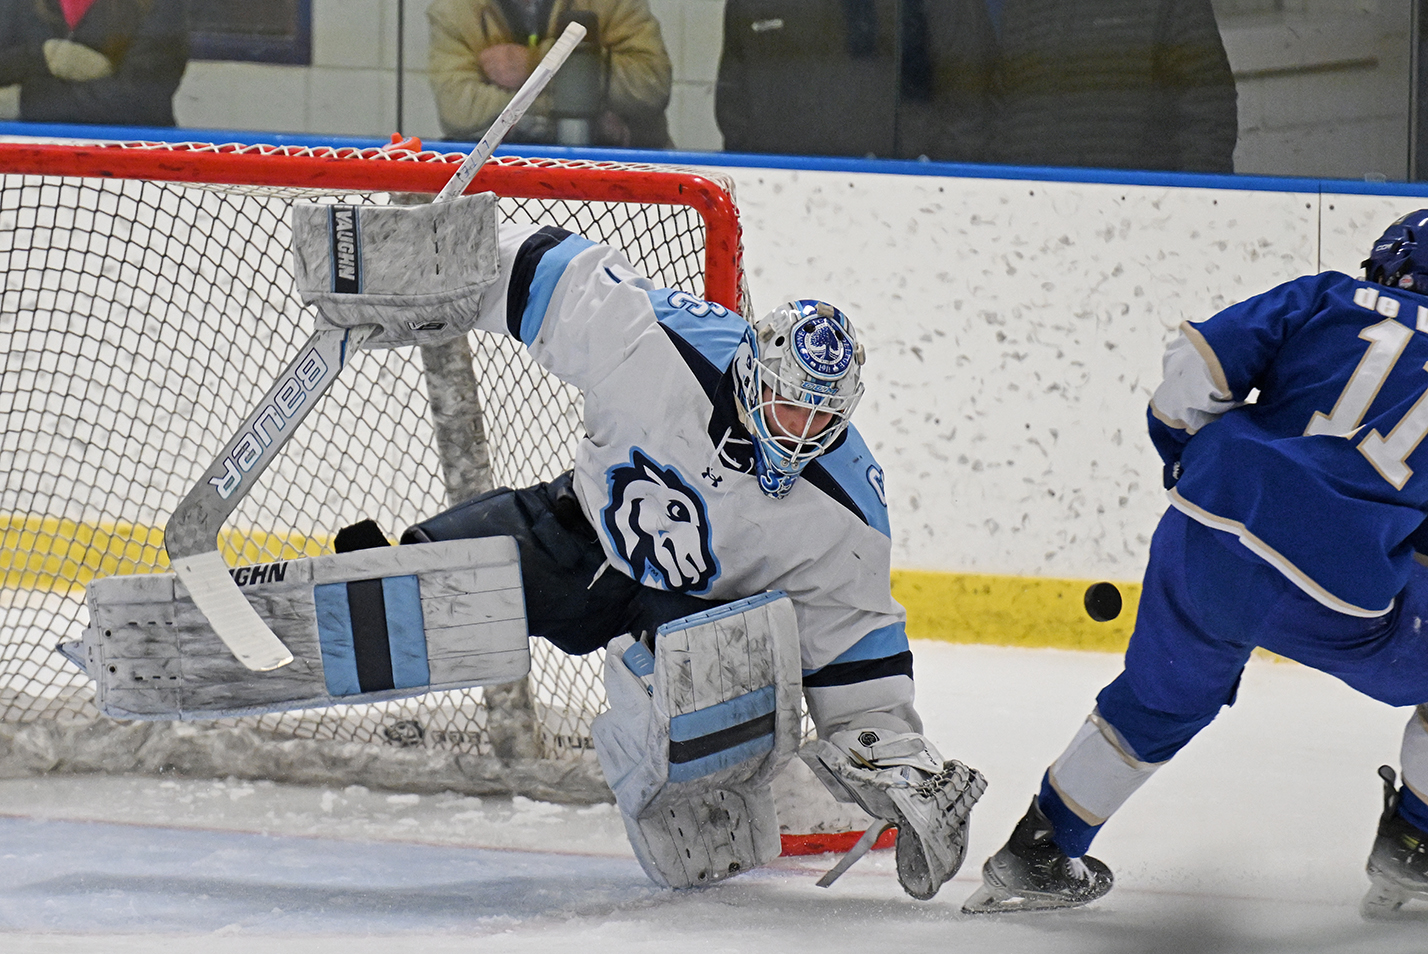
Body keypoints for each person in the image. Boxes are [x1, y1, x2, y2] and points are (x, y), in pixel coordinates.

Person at [338, 216, 985, 896]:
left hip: (688, 622)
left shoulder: (848, 511)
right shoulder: (657, 341)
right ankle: (357, 606)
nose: (800, 431)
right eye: (788, 404)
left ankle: (698, 794)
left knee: (718, 684)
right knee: (420, 587)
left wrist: (897, 761)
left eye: (821, 417)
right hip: (578, 535)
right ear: (750, 368)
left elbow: (853, 645)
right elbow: (544, 273)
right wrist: (416, 261)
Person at [962, 210, 1428, 916]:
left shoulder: (1328, 296)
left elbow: (1196, 368)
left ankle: (1040, 850)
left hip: (1212, 525)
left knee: (1161, 696)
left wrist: (1186, 458)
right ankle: (1414, 848)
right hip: (1337, 592)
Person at [715, 0, 996, 162]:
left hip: (901, 199)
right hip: (778, 199)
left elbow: (969, 101)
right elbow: (734, 108)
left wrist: (929, 187)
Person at [988, 0, 1238, 172]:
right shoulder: (1022, 7)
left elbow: (1209, 109)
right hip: (1034, 213)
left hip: (1140, 213)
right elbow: (1001, 111)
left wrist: (1193, 209)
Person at [426, 0, 673, 148]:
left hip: (616, 173)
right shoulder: (456, 9)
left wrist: (535, 63)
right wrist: (583, 114)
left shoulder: (609, 3)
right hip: (501, 174)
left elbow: (651, 84)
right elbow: (458, 110)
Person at [0, 0, 188, 127]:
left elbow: (143, 100)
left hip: (132, 156)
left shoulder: (158, 6)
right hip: (27, 155)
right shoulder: (17, 5)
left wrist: (24, 101)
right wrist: (41, 57)